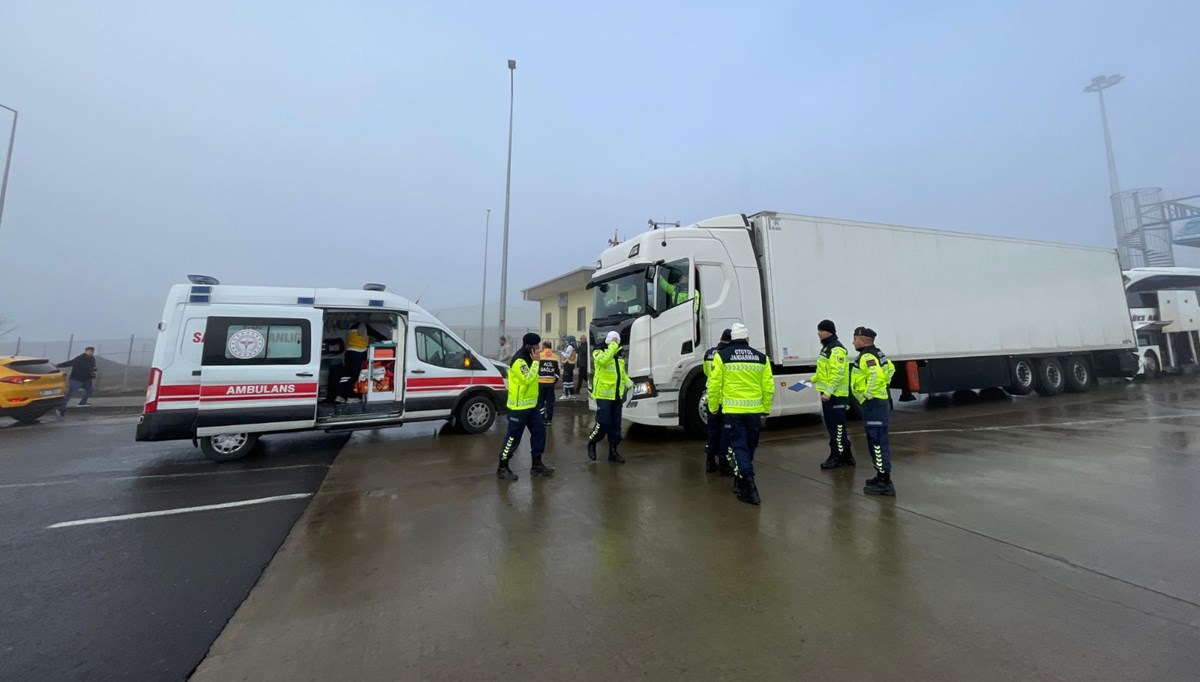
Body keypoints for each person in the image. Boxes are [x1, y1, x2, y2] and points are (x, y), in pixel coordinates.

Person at [707, 323, 773, 505]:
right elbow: (768, 386)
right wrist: (766, 407)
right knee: (749, 447)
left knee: (739, 447)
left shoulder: (722, 356)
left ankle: (749, 485)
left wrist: (713, 407)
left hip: (733, 411)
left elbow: (714, 385)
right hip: (754, 411)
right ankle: (740, 481)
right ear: (747, 338)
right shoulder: (761, 358)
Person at [497, 333, 556, 480]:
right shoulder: (519, 360)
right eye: (536, 346)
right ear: (528, 346)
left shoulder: (531, 357)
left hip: (532, 405)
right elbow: (527, 379)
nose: (538, 349)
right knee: (512, 438)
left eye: (538, 346)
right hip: (518, 407)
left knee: (540, 432)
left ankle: (537, 465)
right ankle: (502, 467)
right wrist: (536, 363)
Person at [851, 326, 897, 496]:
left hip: (873, 404)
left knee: (877, 442)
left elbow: (876, 375)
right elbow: (890, 369)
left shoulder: (867, 356)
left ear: (862, 340)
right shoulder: (878, 353)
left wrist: (867, 394)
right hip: (879, 403)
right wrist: (884, 385)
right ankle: (880, 476)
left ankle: (885, 481)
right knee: (876, 440)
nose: (853, 342)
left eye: (855, 339)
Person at [813, 319, 855, 469]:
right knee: (836, 427)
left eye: (821, 330)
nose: (818, 333)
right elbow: (824, 372)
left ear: (828, 332)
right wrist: (811, 379)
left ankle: (837, 456)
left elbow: (837, 374)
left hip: (836, 395)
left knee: (836, 428)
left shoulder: (836, 349)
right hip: (830, 394)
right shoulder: (827, 348)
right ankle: (847, 455)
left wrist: (829, 392)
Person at [586, 330, 632, 464]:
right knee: (604, 422)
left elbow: (621, 373)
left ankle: (613, 451)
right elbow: (604, 361)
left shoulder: (619, 354)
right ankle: (592, 442)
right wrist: (612, 346)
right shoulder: (598, 351)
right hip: (604, 394)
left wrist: (629, 383)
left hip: (616, 395)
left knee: (616, 425)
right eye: (614, 340)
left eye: (617, 341)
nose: (616, 342)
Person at [702, 328, 735, 475]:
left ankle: (709, 461)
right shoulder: (728, 355)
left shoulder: (709, 353)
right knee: (725, 433)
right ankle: (723, 462)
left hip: (712, 397)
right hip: (726, 400)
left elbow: (706, 372)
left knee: (712, 430)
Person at [56, 347, 98, 415]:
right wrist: (58, 365)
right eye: (89, 351)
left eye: (92, 351)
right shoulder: (80, 358)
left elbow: (93, 367)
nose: (91, 352)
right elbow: (70, 363)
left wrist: (93, 372)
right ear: (86, 351)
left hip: (86, 380)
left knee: (90, 389)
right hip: (76, 379)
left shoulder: (92, 359)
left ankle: (82, 403)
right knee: (70, 394)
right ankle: (60, 408)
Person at [536, 340, 561, 425]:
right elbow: (558, 371)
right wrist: (554, 381)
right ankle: (549, 420)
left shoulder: (539, 356)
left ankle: (541, 418)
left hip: (540, 382)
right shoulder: (556, 357)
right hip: (550, 382)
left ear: (543, 346)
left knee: (540, 401)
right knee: (550, 402)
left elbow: (535, 369)